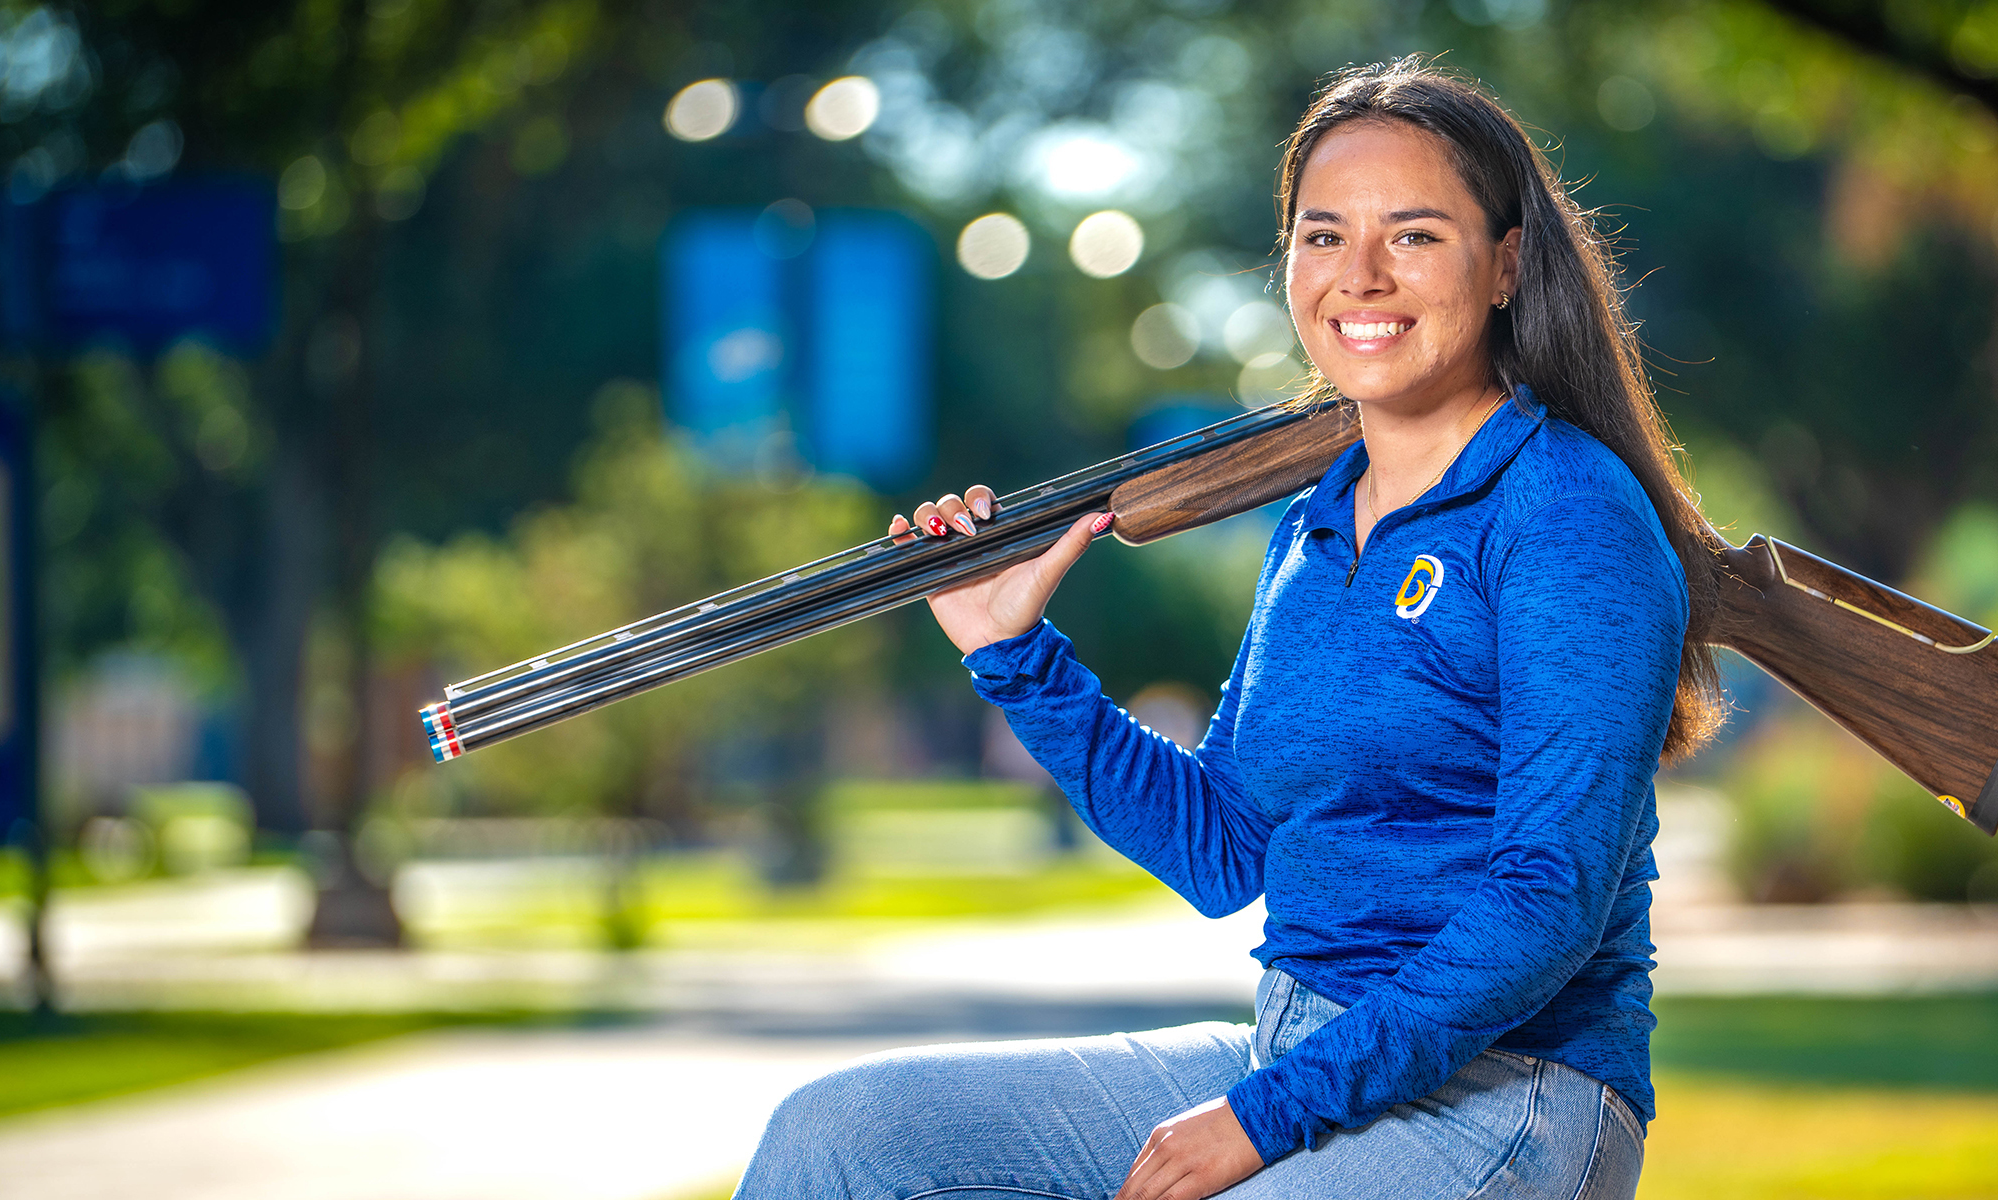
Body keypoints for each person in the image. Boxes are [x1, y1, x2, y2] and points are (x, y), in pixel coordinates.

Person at [734, 55, 1725, 1200]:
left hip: (1511, 1092)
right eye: (1323, 236)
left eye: (1414, 236)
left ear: (1506, 264)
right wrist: (1014, 658)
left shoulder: (1567, 512)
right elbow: (1222, 847)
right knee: (840, 1137)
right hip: (1295, 1048)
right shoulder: (1317, 522)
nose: (1360, 276)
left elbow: (1550, 896)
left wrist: (1267, 1114)